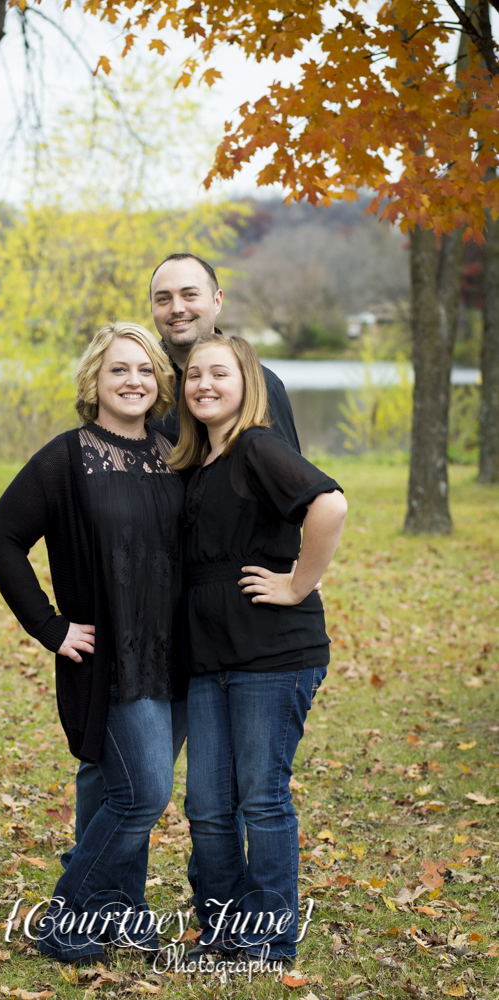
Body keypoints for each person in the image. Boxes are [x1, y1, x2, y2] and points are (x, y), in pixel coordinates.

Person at [67, 253, 302, 880]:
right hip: (130, 616)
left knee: (218, 783)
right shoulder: (141, 382)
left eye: (190, 294)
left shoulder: (255, 385)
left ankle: (222, 906)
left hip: (223, 620)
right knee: (115, 768)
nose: (178, 308)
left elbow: (295, 496)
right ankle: (106, 896)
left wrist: (297, 582)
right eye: (164, 297)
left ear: (217, 300)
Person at [0, 322, 188, 965]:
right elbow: (1, 539)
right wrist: (50, 626)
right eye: (119, 369)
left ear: (160, 383)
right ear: (94, 379)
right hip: (111, 656)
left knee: (107, 784)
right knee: (143, 793)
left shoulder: (176, 451)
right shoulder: (67, 457)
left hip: (179, 654)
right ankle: (68, 914)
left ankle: (122, 912)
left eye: (145, 370)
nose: (133, 381)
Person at [169, 332, 347, 965]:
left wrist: (300, 582)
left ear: (248, 384)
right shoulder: (197, 464)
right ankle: (221, 931)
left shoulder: (257, 448)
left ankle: (268, 939)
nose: (204, 385)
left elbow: (329, 502)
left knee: (262, 799)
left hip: (272, 657)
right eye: (194, 376)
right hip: (209, 659)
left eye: (219, 373)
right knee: (208, 806)